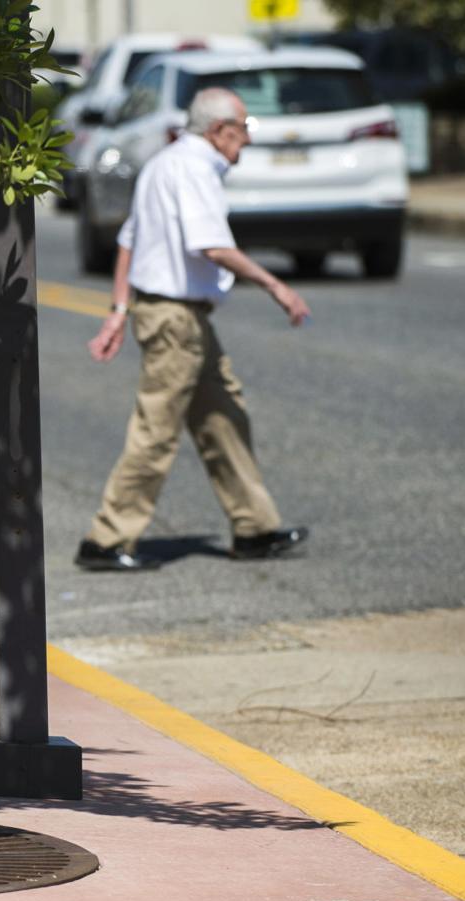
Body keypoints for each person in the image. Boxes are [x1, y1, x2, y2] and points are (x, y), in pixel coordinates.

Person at [76, 87, 311, 572]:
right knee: (156, 432)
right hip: (176, 319)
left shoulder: (164, 163)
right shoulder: (195, 167)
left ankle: (254, 528)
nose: (246, 140)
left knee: (224, 416)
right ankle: (106, 540)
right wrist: (276, 286)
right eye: (244, 129)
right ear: (221, 130)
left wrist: (119, 310)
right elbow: (211, 245)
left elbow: (129, 242)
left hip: (178, 316)